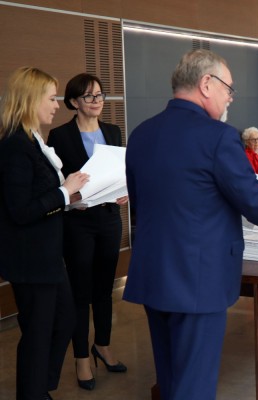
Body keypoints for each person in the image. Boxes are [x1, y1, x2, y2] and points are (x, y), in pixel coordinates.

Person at [123, 49, 258, 400]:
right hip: (199, 279)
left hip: (154, 273)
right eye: (229, 88)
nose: (230, 97)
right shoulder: (218, 136)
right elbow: (252, 199)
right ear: (206, 84)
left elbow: (139, 204)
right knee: (194, 386)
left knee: (170, 380)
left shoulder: (141, 133)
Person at [0, 67, 89, 400]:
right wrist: (65, 193)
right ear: (30, 100)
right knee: (39, 334)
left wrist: (72, 200)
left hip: (48, 256)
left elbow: (45, 198)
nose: (56, 105)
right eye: (50, 98)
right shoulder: (14, 147)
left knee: (64, 321)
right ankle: (33, 392)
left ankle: (39, 388)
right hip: (31, 259)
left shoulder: (33, 143)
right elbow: (21, 210)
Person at [47, 73, 128, 391]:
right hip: (77, 222)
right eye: (89, 96)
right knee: (80, 291)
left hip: (110, 217)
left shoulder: (112, 131)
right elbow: (55, 182)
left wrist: (126, 191)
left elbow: (121, 170)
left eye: (100, 95)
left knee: (105, 289)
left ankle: (103, 346)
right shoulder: (59, 135)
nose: (97, 101)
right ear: (73, 102)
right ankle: (81, 357)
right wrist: (69, 200)